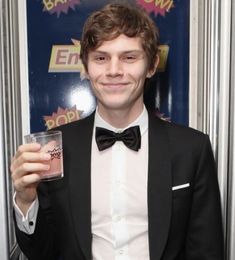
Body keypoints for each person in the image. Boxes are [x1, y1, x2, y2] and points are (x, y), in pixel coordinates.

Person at [11, 2, 224, 260]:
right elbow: (40, 252)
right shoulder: (55, 149)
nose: (114, 71)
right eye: (101, 58)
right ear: (86, 67)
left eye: (129, 57)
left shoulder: (192, 149)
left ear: (151, 65)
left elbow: (207, 252)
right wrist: (25, 200)